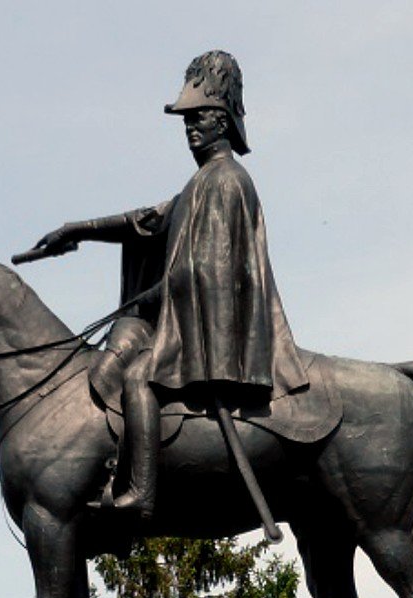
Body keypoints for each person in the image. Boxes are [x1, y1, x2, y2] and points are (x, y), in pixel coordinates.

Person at [22, 50, 308, 517]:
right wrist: (78, 230)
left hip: (212, 331)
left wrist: (158, 294)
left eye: (199, 119)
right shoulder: (198, 183)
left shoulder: (228, 180)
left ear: (223, 122)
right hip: (186, 315)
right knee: (113, 364)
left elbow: (212, 270)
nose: (190, 129)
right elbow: (144, 222)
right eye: (186, 121)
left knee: (139, 378)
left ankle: (141, 492)